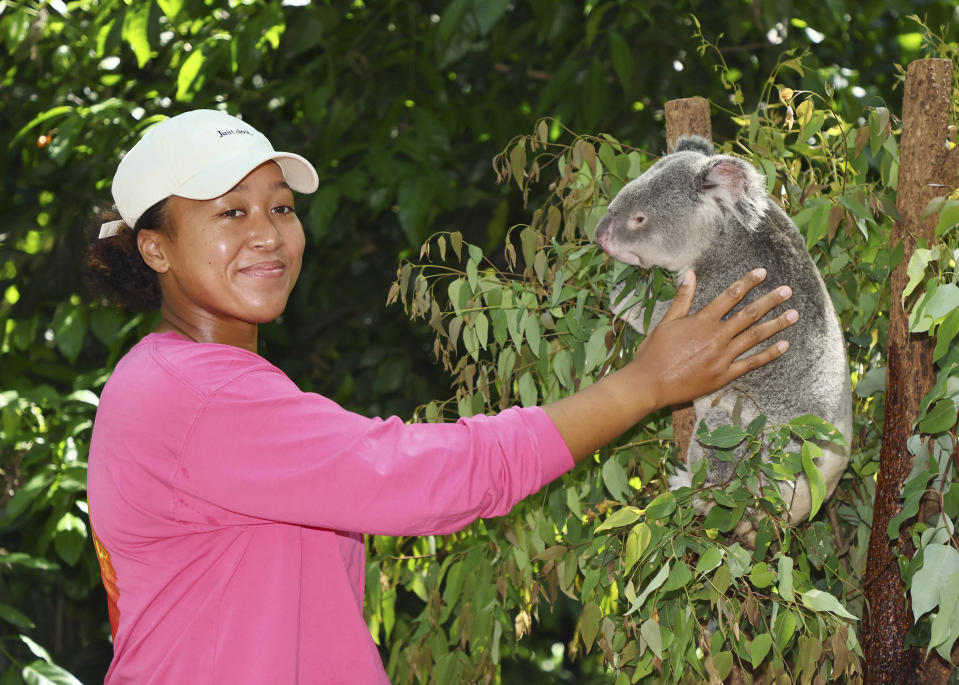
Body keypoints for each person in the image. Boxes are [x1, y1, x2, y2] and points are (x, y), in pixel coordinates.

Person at [85, 109, 797, 684]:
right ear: (156, 247)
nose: (269, 234)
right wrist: (643, 383)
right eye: (230, 214)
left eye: (279, 207)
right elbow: (429, 474)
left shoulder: (196, 383)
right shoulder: (193, 395)